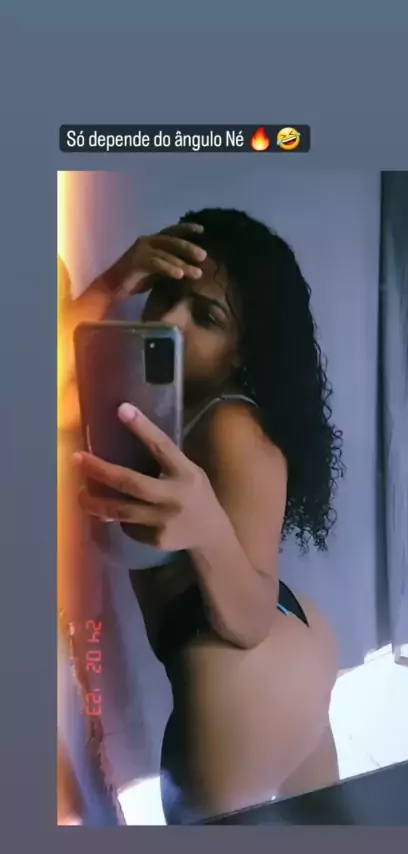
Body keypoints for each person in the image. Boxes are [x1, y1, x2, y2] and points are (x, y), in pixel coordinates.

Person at [59, 209, 344, 824]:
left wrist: (208, 528)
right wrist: (113, 281)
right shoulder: (135, 398)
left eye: (206, 317)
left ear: (243, 353)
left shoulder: (230, 428)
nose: (169, 321)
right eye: (167, 294)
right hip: (283, 666)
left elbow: (249, 619)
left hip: (237, 690)